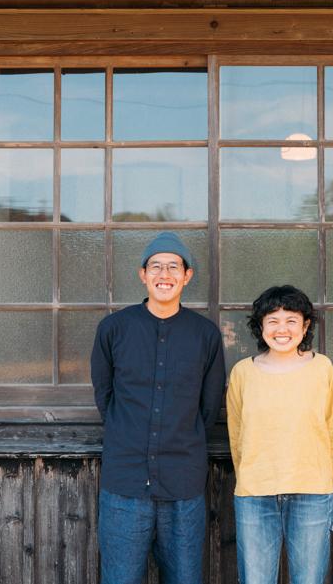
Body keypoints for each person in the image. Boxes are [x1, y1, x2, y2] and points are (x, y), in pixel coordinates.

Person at [90, 232, 226, 584]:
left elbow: (208, 408)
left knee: (184, 578)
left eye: (173, 267)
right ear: (143, 275)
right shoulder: (113, 329)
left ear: (187, 276)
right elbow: (105, 397)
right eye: (156, 266)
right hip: (125, 483)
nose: (164, 274)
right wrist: (128, 433)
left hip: (183, 483)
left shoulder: (205, 335)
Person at [226, 285, 333, 584]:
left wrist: (324, 483)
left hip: (312, 491)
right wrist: (249, 477)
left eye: (291, 320)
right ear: (260, 326)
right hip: (254, 493)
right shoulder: (242, 373)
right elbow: (236, 434)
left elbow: (331, 428)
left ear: (305, 326)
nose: (282, 329)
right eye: (273, 320)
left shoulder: (322, 367)